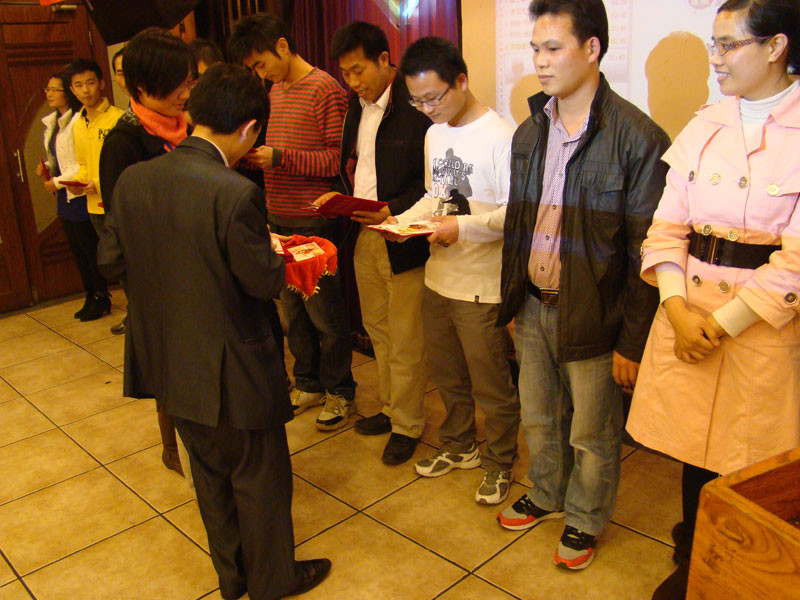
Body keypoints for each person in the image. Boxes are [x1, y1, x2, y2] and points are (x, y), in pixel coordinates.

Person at [97, 62, 331, 600]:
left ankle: (233, 578)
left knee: (209, 476)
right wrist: (274, 252)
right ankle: (273, 580)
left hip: (168, 360)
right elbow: (262, 281)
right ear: (250, 128)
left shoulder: (135, 180)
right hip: (234, 366)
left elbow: (110, 259)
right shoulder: (233, 192)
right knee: (259, 476)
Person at [626, 1, 800, 597]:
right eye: (714, 44)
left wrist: (719, 324)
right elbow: (666, 228)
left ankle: (736, 574)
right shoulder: (704, 124)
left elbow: (796, 261)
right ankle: (692, 560)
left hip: (760, 326)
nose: (716, 59)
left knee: (749, 459)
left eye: (729, 45)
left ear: (775, 46)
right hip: (688, 312)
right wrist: (677, 310)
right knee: (694, 450)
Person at [496, 0, 670, 570]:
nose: (540, 62)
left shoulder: (638, 137)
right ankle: (547, 492)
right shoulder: (530, 131)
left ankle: (586, 517)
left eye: (553, 48)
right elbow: (519, 226)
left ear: (592, 48)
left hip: (597, 312)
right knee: (540, 416)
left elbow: (646, 252)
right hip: (533, 303)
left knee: (592, 433)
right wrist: (512, 300)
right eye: (535, 49)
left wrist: (632, 342)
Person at [381, 36, 520, 504]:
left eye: (433, 98)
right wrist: (400, 223)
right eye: (417, 101)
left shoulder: (501, 137)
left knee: (491, 383)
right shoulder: (434, 133)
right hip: (438, 277)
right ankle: (460, 446)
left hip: (481, 284)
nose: (426, 109)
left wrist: (461, 228)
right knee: (448, 376)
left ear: (461, 81)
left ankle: (500, 461)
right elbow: (435, 196)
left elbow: (514, 215)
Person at [229, 14, 356, 431]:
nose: (260, 73)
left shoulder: (325, 88)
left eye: (261, 63)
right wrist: (257, 158)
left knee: (325, 314)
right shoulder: (275, 91)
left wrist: (280, 157)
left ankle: (340, 390)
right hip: (277, 216)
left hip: (313, 220)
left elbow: (337, 161)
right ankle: (308, 382)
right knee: (294, 313)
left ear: (282, 46)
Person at [315, 22, 431, 465]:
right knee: (377, 329)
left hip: (403, 237)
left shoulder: (416, 106)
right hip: (364, 232)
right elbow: (355, 165)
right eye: (345, 73)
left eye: (358, 70)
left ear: (385, 59)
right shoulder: (354, 107)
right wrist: (339, 199)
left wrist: (391, 209)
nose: (353, 81)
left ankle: (408, 424)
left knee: (405, 339)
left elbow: (433, 184)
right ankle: (391, 407)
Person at [99, 27, 195, 474]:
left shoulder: (187, 127)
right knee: (168, 365)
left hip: (195, 264)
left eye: (187, 81)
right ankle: (173, 449)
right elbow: (122, 224)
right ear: (140, 87)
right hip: (156, 275)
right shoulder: (125, 141)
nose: (185, 92)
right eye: (174, 83)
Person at [38, 69, 109, 321]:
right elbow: (60, 156)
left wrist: (56, 182)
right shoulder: (54, 122)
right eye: (48, 89)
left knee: (89, 248)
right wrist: (47, 166)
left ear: (67, 93)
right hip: (64, 194)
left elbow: (80, 162)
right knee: (77, 250)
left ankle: (101, 295)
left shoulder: (78, 120)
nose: (49, 94)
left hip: (78, 191)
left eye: (55, 89)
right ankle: (89, 294)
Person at [67, 58, 124, 318]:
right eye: (79, 85)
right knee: (112, 262)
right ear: (72, 89)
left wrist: (98, 183)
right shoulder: (78, 123)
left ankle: (138, 313)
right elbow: (83, 163)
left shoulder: (118, 119)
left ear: (101, 83)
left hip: (116, 202)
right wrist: (77, 183)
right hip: (93, 204)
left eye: (90, 83)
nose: (86, 90)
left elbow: (123, 165)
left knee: (129, 260)